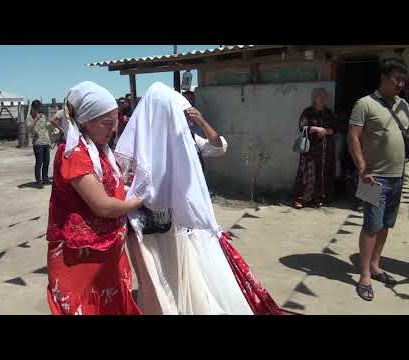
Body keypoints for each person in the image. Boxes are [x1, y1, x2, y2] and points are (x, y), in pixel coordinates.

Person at [115, 82, 285, 315]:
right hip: (148, 224)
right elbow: (123, 180)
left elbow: (219, 147)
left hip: (181, 220)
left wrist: (202, 122)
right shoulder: (139, 144)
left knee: (182, 272)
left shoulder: (187, 139)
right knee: (156, 274)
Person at [45, 81, 143, 315]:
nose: (113, 130)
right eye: (107, 123)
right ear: (86, 122)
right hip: (81, 260)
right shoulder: (74, 154)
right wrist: (139, 200)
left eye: (115, 122)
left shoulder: (99, 150)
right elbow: (102, 206)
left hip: (107, 252)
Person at [348, 58, 409, 301]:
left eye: (404, 79)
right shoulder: (364, 104)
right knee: (371, 226)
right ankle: (364, 275)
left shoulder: (403, 104)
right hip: (372, 178)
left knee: (385, 225)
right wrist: (362, 167)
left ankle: (375, 265)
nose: (401, 83)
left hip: (397, 176)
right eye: (397, 79)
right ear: (383, 78)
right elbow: (353, 137)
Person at [293, 88, 337, 209]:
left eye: (324, 96)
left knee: (324, 174)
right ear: (314, 98)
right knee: (307, 173)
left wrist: (326, 131)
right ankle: (301, 199)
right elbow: (302, 127)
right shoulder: (307, 112)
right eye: (319, 96)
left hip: (326, 150)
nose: (322, 99)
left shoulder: (329, 113)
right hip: (310, 150)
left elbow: (336, 129)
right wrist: (316, 129)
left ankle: (320, 199)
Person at [26, 100, 52, 187]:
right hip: (37, 143)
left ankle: (45, 178)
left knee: (46, 161)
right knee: (39, 162)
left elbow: (45, 129)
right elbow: (29, 128)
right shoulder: (29, 117)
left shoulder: (43, 116)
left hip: (45, 141)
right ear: (33, 108)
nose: (38, 110)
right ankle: (38, 180)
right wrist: (36, 119)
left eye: (39, 108)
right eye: (37, 109)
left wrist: (49, 141)